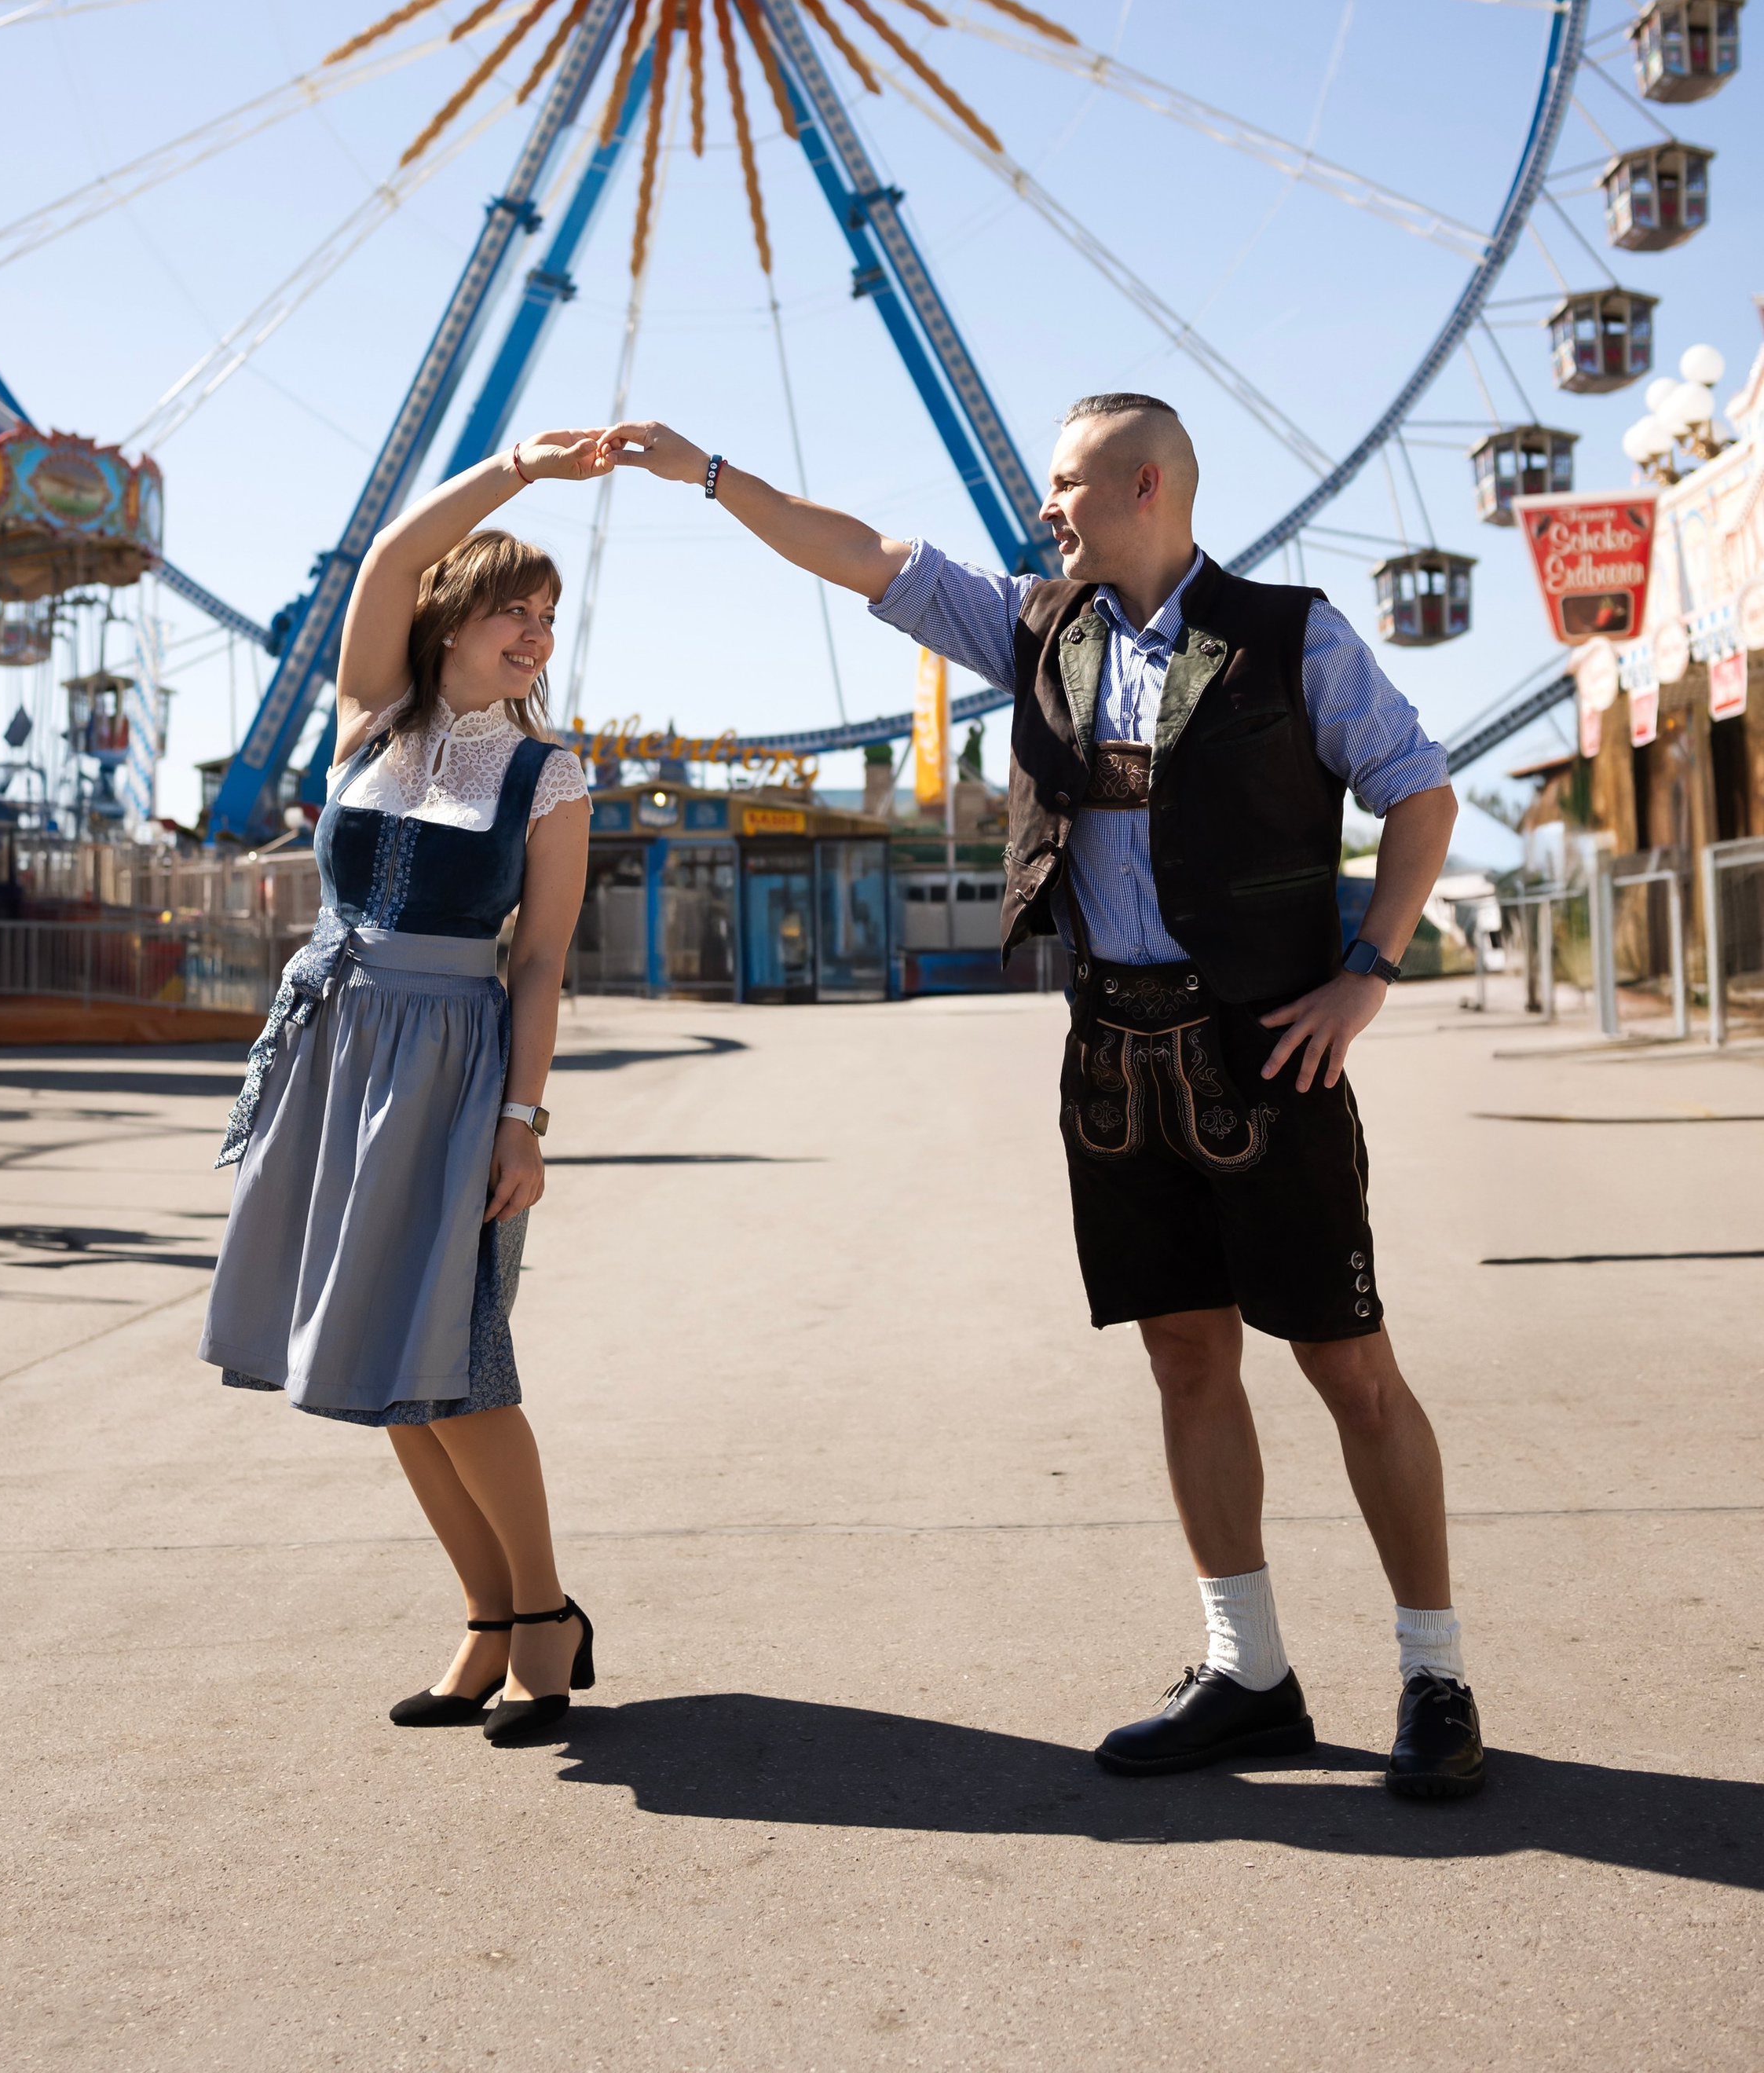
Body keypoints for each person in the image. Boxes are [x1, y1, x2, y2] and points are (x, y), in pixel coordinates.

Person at [605, 397, 1483, 1799]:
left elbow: (1419, 793)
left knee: (1349, 1366)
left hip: (1265, 1052)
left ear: (1146, 485)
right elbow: (863, 555)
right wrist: (710, 475)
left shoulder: (1293, 636)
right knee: (1184, 1359)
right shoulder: (1033, 628)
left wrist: (1365, 975)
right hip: (1112, 1055)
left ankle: (1435, 1677)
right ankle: (1248, 1673)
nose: (1046, 507)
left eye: (1067, 483)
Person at [199, 434, 607, 1746]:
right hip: (336, 1054)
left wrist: (523, 1123)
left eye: (549, 618)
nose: (536, 636)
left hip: (451, 1065)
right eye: (513, 611)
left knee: (462, 1364)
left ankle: (543, 1617)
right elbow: (385, 554)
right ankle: (486, 1619)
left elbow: (538, 961)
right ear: (449, 620)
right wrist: (521, 467)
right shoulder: (369, 718)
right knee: (385, 1356)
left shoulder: (549, 775)